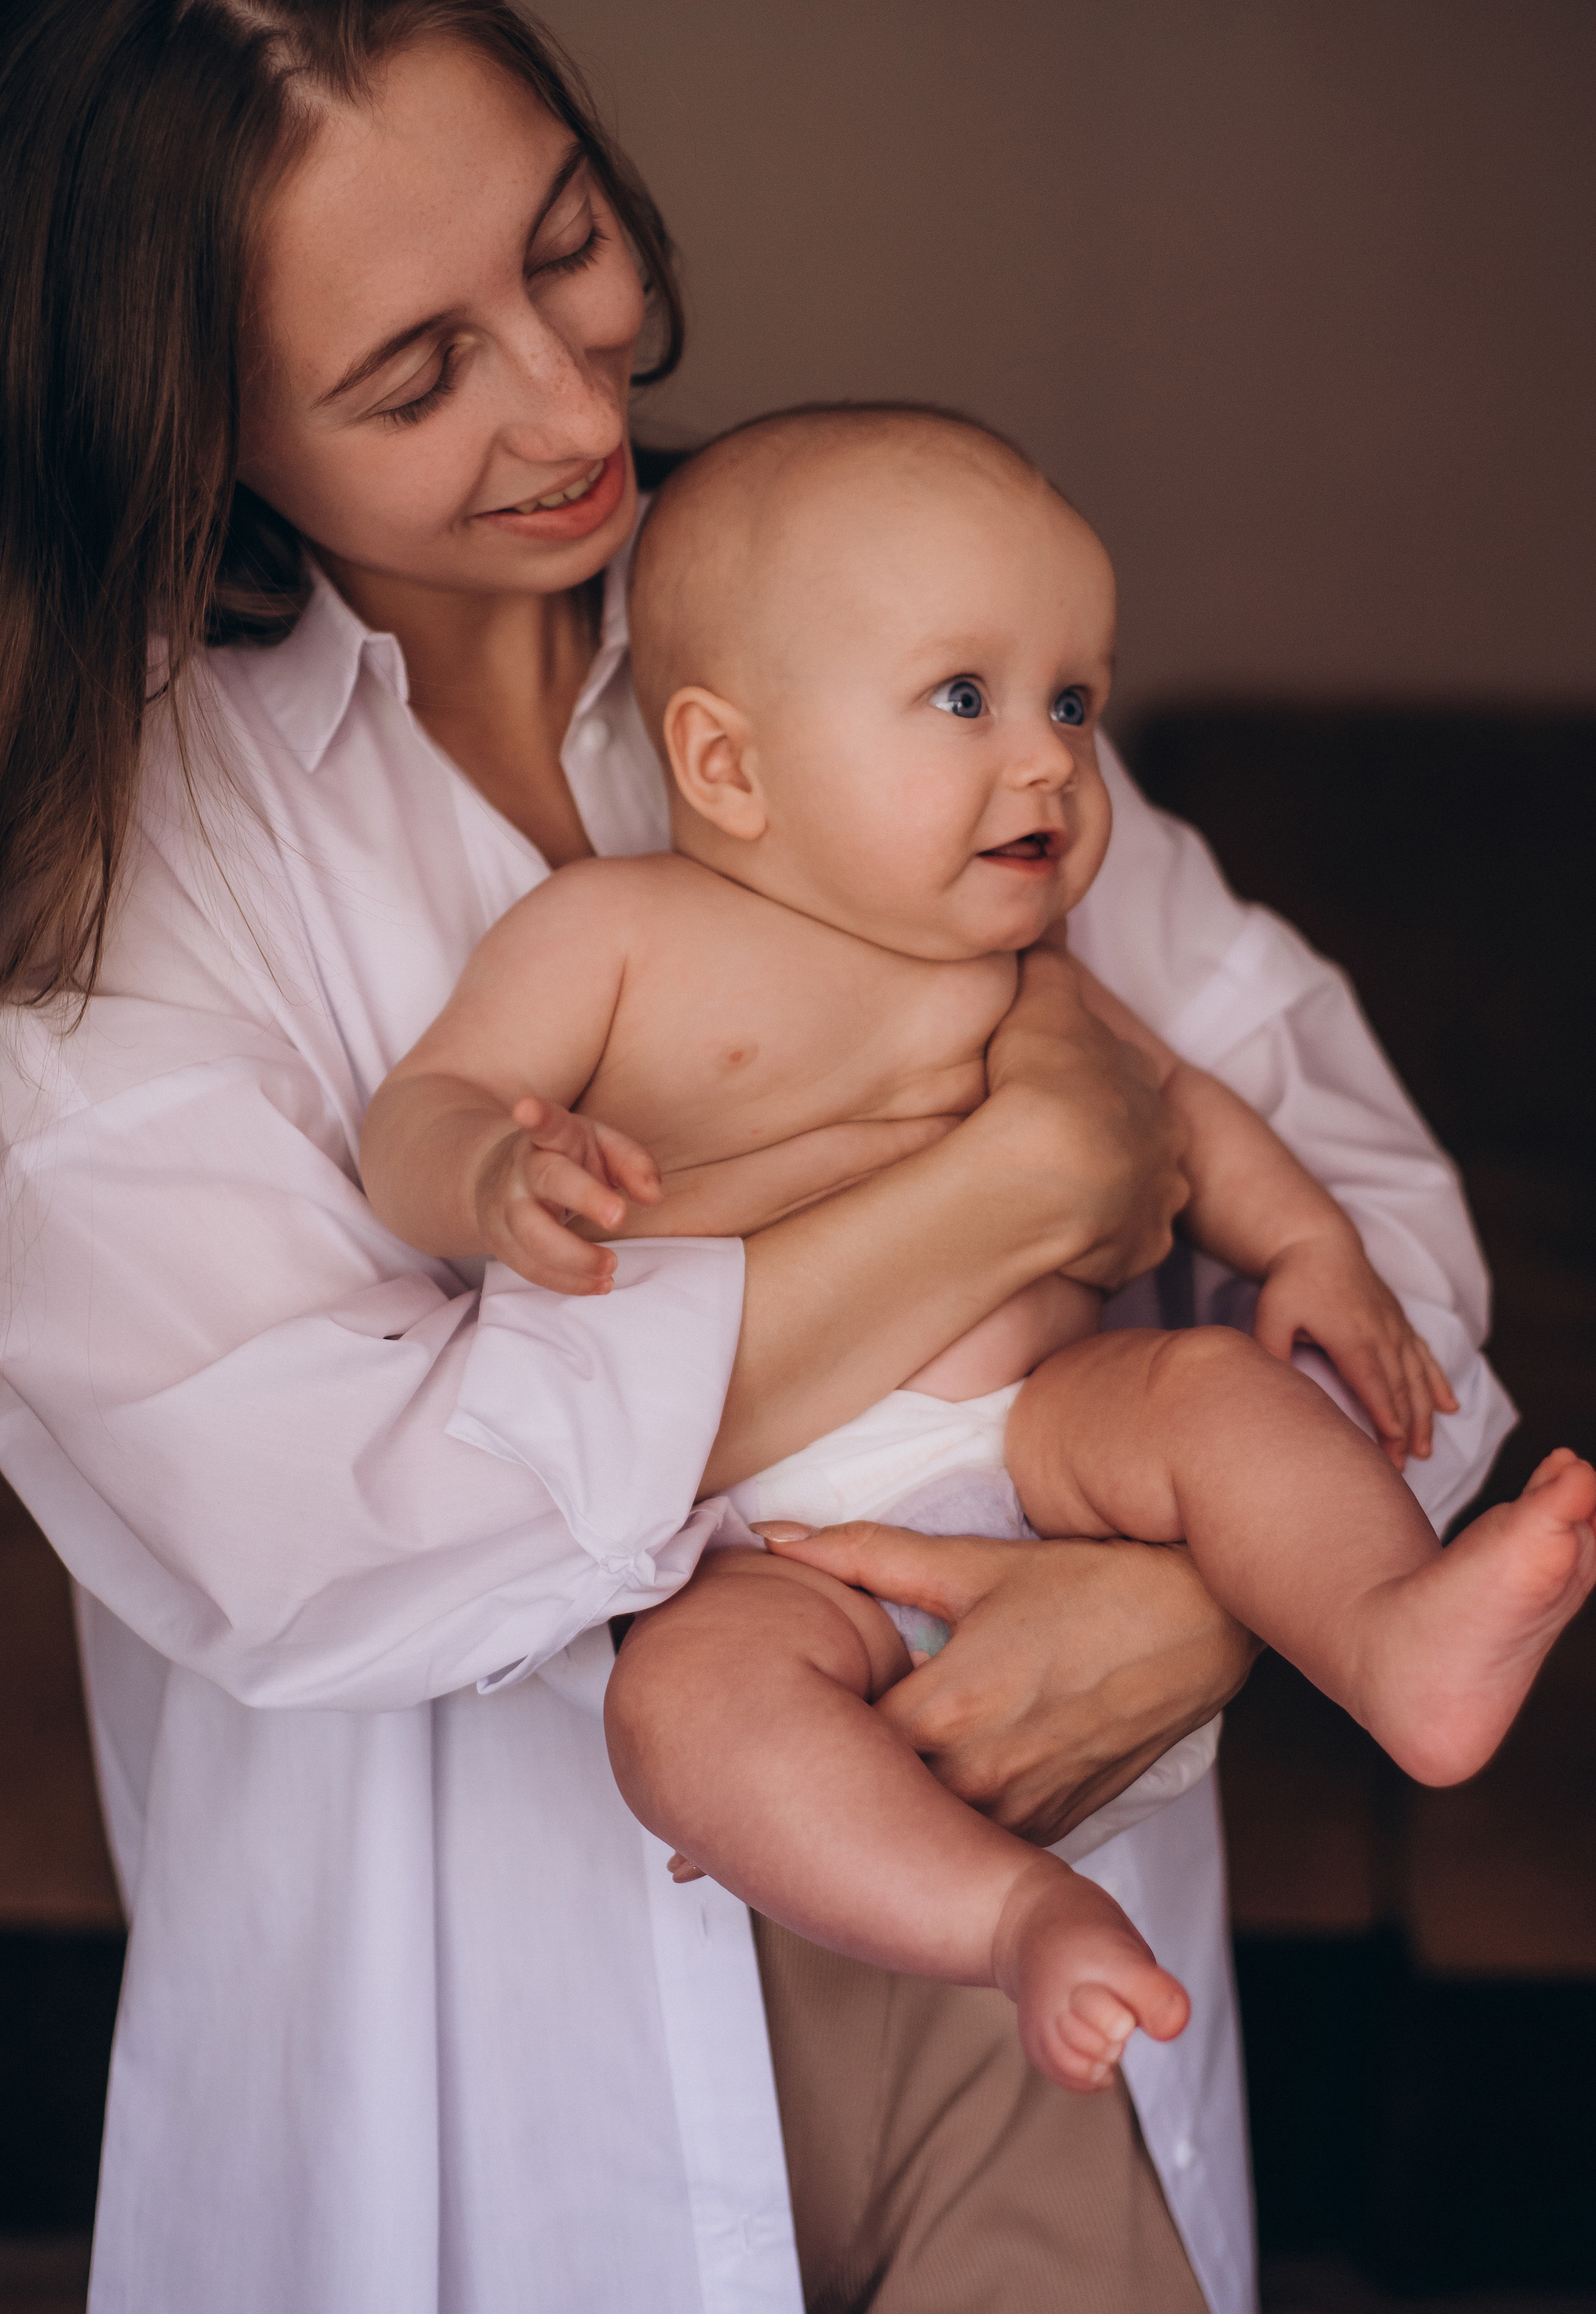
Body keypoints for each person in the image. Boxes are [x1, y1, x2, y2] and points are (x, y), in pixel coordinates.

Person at [0, 0, 1514, 2311]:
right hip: (490, 2055)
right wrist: (1022, 1171)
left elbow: (1349, 1176)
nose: (579, 408)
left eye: (567, 247)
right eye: (413, 377)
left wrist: (1214, 1589)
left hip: (1030, 1999)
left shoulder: (856, 601)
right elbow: (316, 1529)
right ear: (190, 427)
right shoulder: (128, 880)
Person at [360, 403, 1593, 2092]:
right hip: (770, 1532)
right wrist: (496, 1171)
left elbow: (1188, 1115)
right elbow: (419, 1110)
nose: (1053, 764)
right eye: (968, 699)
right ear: (728, 763)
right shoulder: (618, 936)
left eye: (1072, 700)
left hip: (1044, 1433)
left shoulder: (1029, 962)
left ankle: (1396, 1635)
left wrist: (1304, 1245)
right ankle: (1010, 1917)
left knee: (1223, 1391)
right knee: (683, 1714)